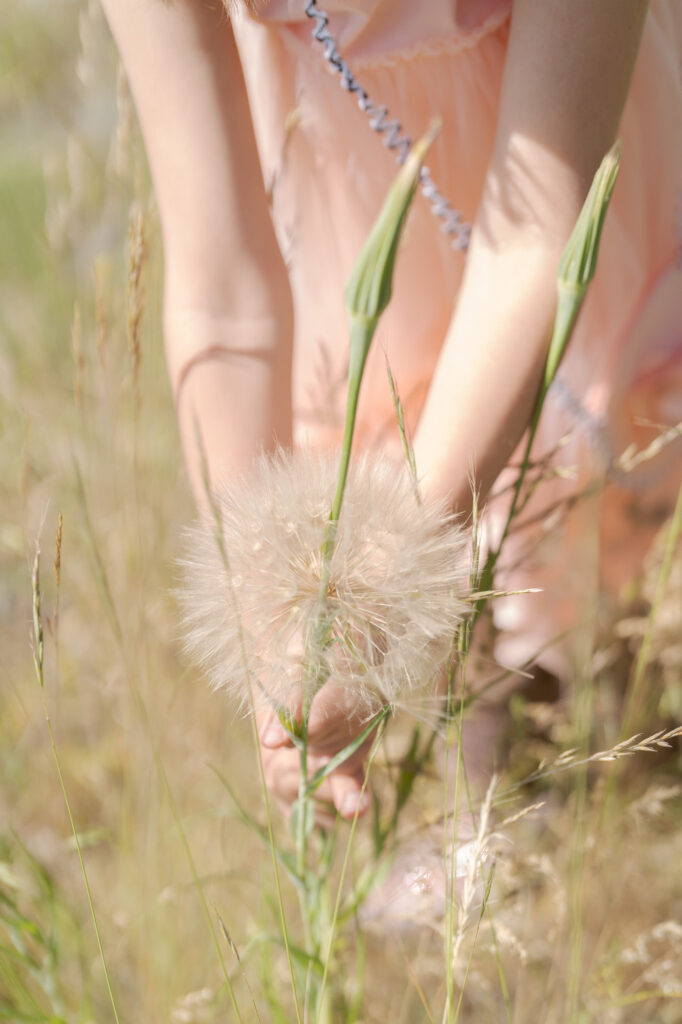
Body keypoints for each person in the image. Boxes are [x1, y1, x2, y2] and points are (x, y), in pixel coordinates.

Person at [101, 0, 682, 820]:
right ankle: (496, 785)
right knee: (406, 466)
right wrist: (272, 625)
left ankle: (605, 705)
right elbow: (220, 293)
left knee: (588, 484)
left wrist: (383, 584)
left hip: (574, 189)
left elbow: (536, 242)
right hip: (353, 234)